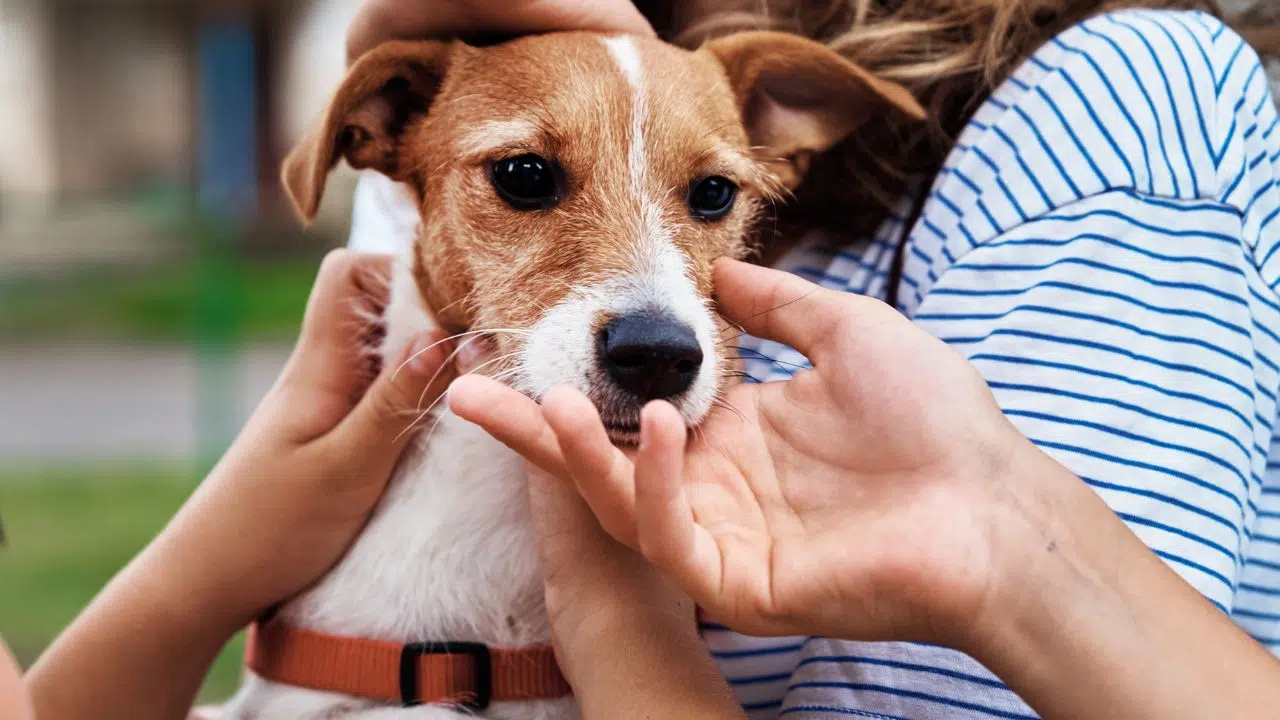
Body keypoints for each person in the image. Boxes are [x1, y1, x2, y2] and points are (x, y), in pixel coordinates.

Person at [11, 1, 1280, 719]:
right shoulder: (482, 71)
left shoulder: (1112, 114)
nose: (648, 300)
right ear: (377, 136)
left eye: (711, 195)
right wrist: (219, 554)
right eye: (527, 178)